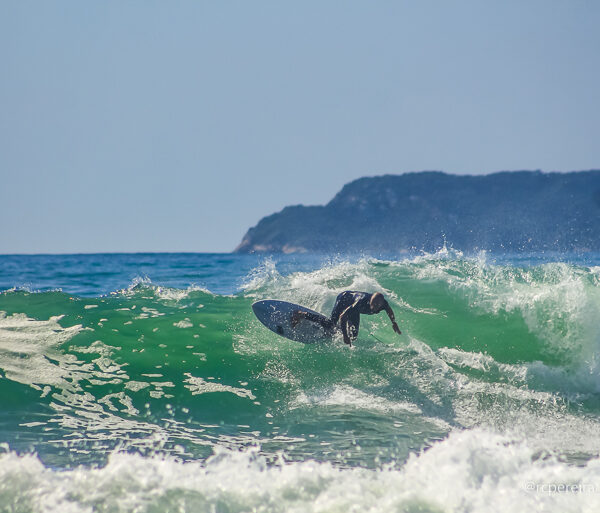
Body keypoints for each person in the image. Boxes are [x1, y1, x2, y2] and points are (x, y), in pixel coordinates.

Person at [291, 291, 401, 346]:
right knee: (331, 324)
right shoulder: (361, 302)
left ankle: (337, 330)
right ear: (370, 301)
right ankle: (301, 314)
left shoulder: (383, 304)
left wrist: (394, 323)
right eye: (372, 304)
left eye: (376, 306)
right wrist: (344, 335)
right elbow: (343, 316)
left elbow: (389, 311)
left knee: (353, 336)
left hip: (354, 309)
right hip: (344, 299)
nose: (373, 308)